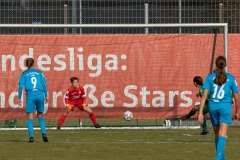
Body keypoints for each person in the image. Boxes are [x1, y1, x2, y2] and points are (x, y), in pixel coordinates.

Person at [198, 56, 239, 160]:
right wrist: (237, 111)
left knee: (217, 134)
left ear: (215, 65)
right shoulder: (231, 78)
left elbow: (204, 96)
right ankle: (219, 156)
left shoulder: (209, 77)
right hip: (225, 107)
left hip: (213, 107)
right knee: (222, 134)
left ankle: (221, 157)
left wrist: (200, 112)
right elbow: (237, 97)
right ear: (225, 65)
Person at [18, 58, 49, 142]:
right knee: (40, 115)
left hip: (30, 96)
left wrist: (19, 98)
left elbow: (21, 86)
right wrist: (46, 95)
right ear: (34, 64)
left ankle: (31, 137)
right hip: (39, 94)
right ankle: (44, 134)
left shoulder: (24, 74)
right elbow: (44, 84)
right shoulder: (39, 72)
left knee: (30, 117)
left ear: (25, 64)